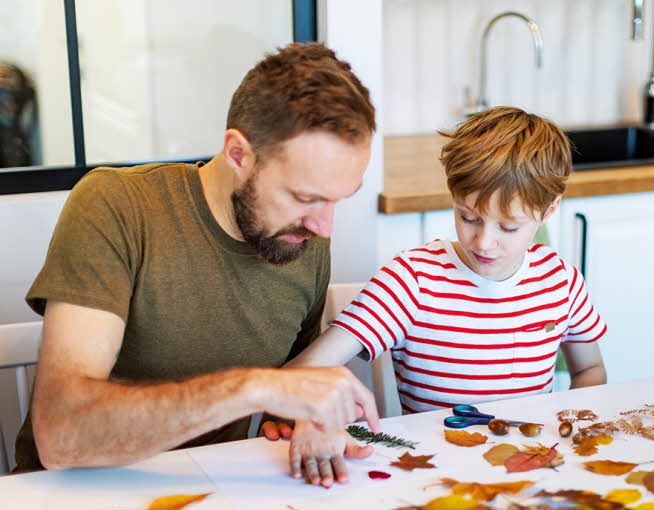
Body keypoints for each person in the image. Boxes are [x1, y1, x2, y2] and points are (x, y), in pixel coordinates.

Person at [14, 42, 382, 484]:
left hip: (204, 494)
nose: (324, 226)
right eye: (305, 198)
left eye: (337, 200)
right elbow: (62, 436)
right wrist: (256, 387)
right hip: (65, 500)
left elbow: (285, 395)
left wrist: (306, 414)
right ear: (238, 154)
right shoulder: (117, 206)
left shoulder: (301, 236)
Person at [282, 106, 607, 478]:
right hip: (433, 471)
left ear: (549, 209)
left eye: (508, 226)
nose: (484, 242)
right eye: (468, 217)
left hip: (532, 467)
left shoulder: (561, 282)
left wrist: (571, 420)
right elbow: (299, 373)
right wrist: (314, 418)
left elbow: (591, 369)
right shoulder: (412, 280)